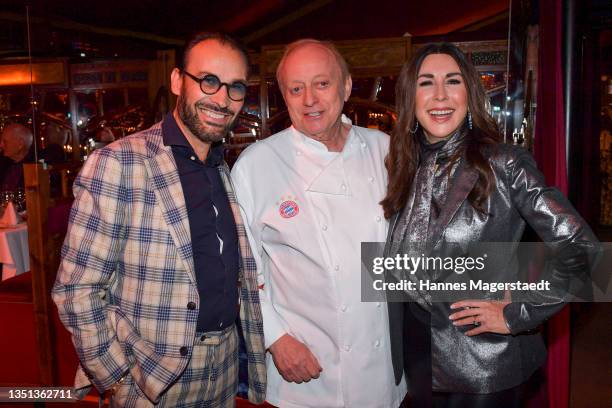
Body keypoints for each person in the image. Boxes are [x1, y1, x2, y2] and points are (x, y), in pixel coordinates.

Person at [52, 32, 266, 407]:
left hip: (225, 369)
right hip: (151, 379)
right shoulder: (120, 162)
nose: (222, 99)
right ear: (176, 81)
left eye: (235, 87)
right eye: (209, 81)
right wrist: (116, 378)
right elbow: (76, 291)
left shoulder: (221, 167)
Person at [382, 42, 599, 407]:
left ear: (469, 92)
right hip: (417, 355)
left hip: (484, 364)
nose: (439, 95)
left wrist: (518, 313)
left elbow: (585, 252)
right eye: (425, 83)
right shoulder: (405, 166)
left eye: (452, 81)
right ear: (409, 96)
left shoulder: (504, 164)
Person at [231, 39, 406, 407]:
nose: (309, 99)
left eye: (321, 84)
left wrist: (502, 280)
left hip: (381, 366)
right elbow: (241, 268)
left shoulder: (385, 150)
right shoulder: (257, 164)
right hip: (306, 365)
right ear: (284, 96)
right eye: (296, 88)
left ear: (345, 87)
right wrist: (276, 339)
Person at [0, 123, 34, 191]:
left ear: (20, 144)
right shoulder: (2, 163)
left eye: (5, 141)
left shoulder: (35, 167)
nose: (1, 145)